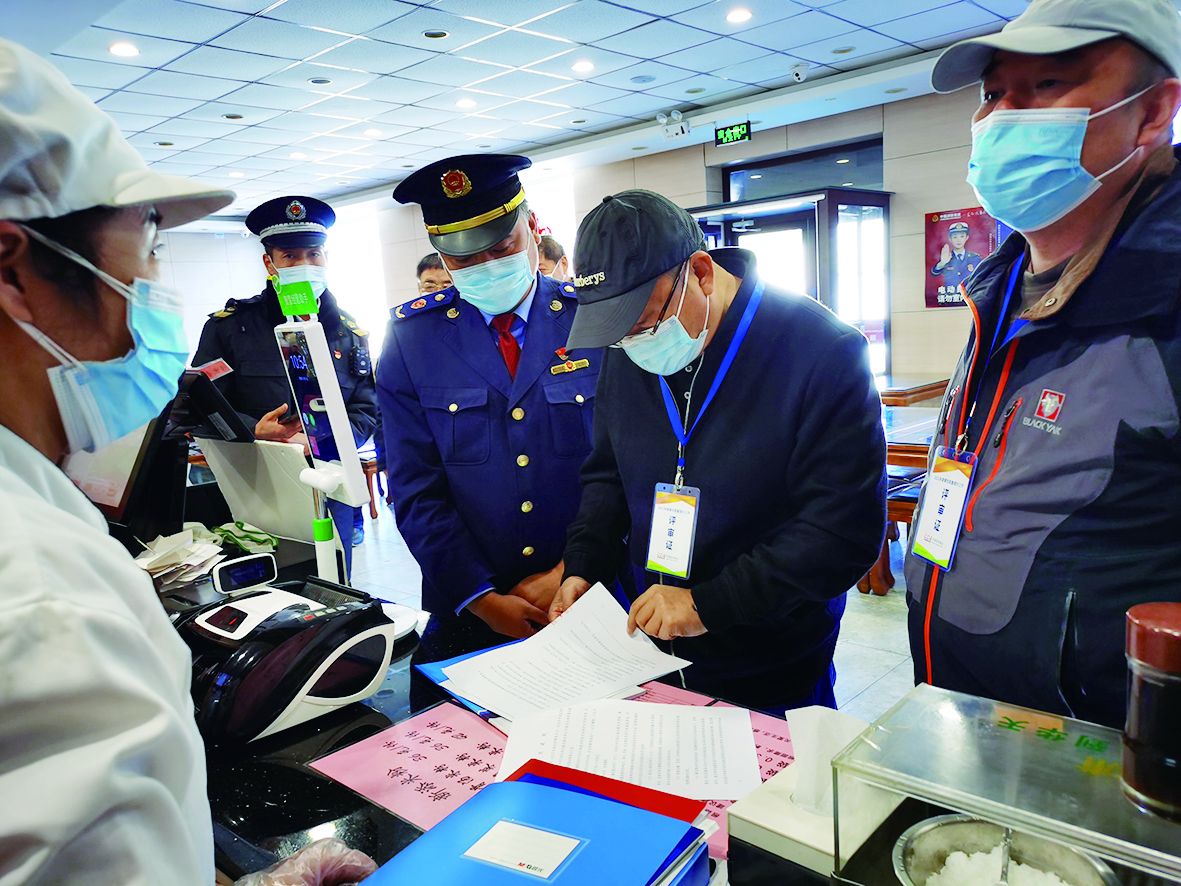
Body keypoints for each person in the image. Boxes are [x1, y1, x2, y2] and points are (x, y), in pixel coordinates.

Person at [0, 38, 374, 884]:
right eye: (148, 248)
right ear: (15, 271)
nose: (154, 288)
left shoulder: (34, 505)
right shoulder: (42, 604)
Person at [906, 0, 1181, 729]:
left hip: (1101, 748)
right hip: (961, 704)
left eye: (1048, 85)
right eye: (994, 93)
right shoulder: (999, 284)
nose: (1003, 116)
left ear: (1153, 112)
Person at [550, 190, 887, 714]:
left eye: (645, 326)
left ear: (702, 274)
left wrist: (708, 604)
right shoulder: (629, 348)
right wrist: (583, 566)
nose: (635, 345)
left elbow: (842, 531)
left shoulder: (821, 352)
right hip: (647, 654)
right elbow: (608, 475)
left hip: (771, 659)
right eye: (620, 338)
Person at [378, 155, 602, 709]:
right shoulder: (413, 339)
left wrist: (573, 568)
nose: (486, 265)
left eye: (501, 247)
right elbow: (414, 488)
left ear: (532, 226)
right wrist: (481, 597)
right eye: (463, 258)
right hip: (467, 605)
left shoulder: (593, 320)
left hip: (589, 595)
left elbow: (625, 466)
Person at [192, 196, 378, 576]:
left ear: (326, 258)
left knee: (336, 579)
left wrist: (322, 440)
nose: (304, 264)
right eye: (290, 256)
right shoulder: (230, 327)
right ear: (269, 263)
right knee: (276, 581)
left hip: (332, 480)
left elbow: (367, 407)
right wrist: (253, 429)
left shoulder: (348, 331)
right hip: (260, 484)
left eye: (313, 254)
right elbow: (200, 405)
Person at [929, 221, 982, 288]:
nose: (958, 240)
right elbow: (933, 274)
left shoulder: (975, 258)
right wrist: (942, 263)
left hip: (969, 293)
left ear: (967, 237)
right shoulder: (946, 257)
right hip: (951, 293)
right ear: (950, 239)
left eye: (962, 236)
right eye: (955, 237)